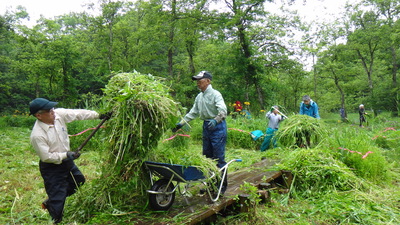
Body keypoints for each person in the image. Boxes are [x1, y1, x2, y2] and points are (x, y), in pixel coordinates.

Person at [29, 98, 110, 223]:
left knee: (79, 181)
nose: (53, 112)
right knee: (58, 197)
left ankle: (52, 201)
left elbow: (78, 114)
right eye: (49, 111)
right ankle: (56, 218)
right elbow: (46, 157)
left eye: (52, 108)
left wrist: (99, 115)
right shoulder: (37, 135)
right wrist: (65, 155)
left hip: (67, 161)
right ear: (38, 115)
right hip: (51, 166)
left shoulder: (58, 115)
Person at [172, 71, 228, 192]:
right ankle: (211, 185)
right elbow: (193, 112)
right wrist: (181, 123)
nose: (198, 83)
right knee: (207, 158)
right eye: (197, 81)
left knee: (218, 158)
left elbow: (223, 111)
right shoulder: (199, 96)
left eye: (200, 81)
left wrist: (216, 120)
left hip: (217, 127)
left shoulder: (215, 94)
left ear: (208, 81)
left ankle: (221, 187)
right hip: (206, 127)